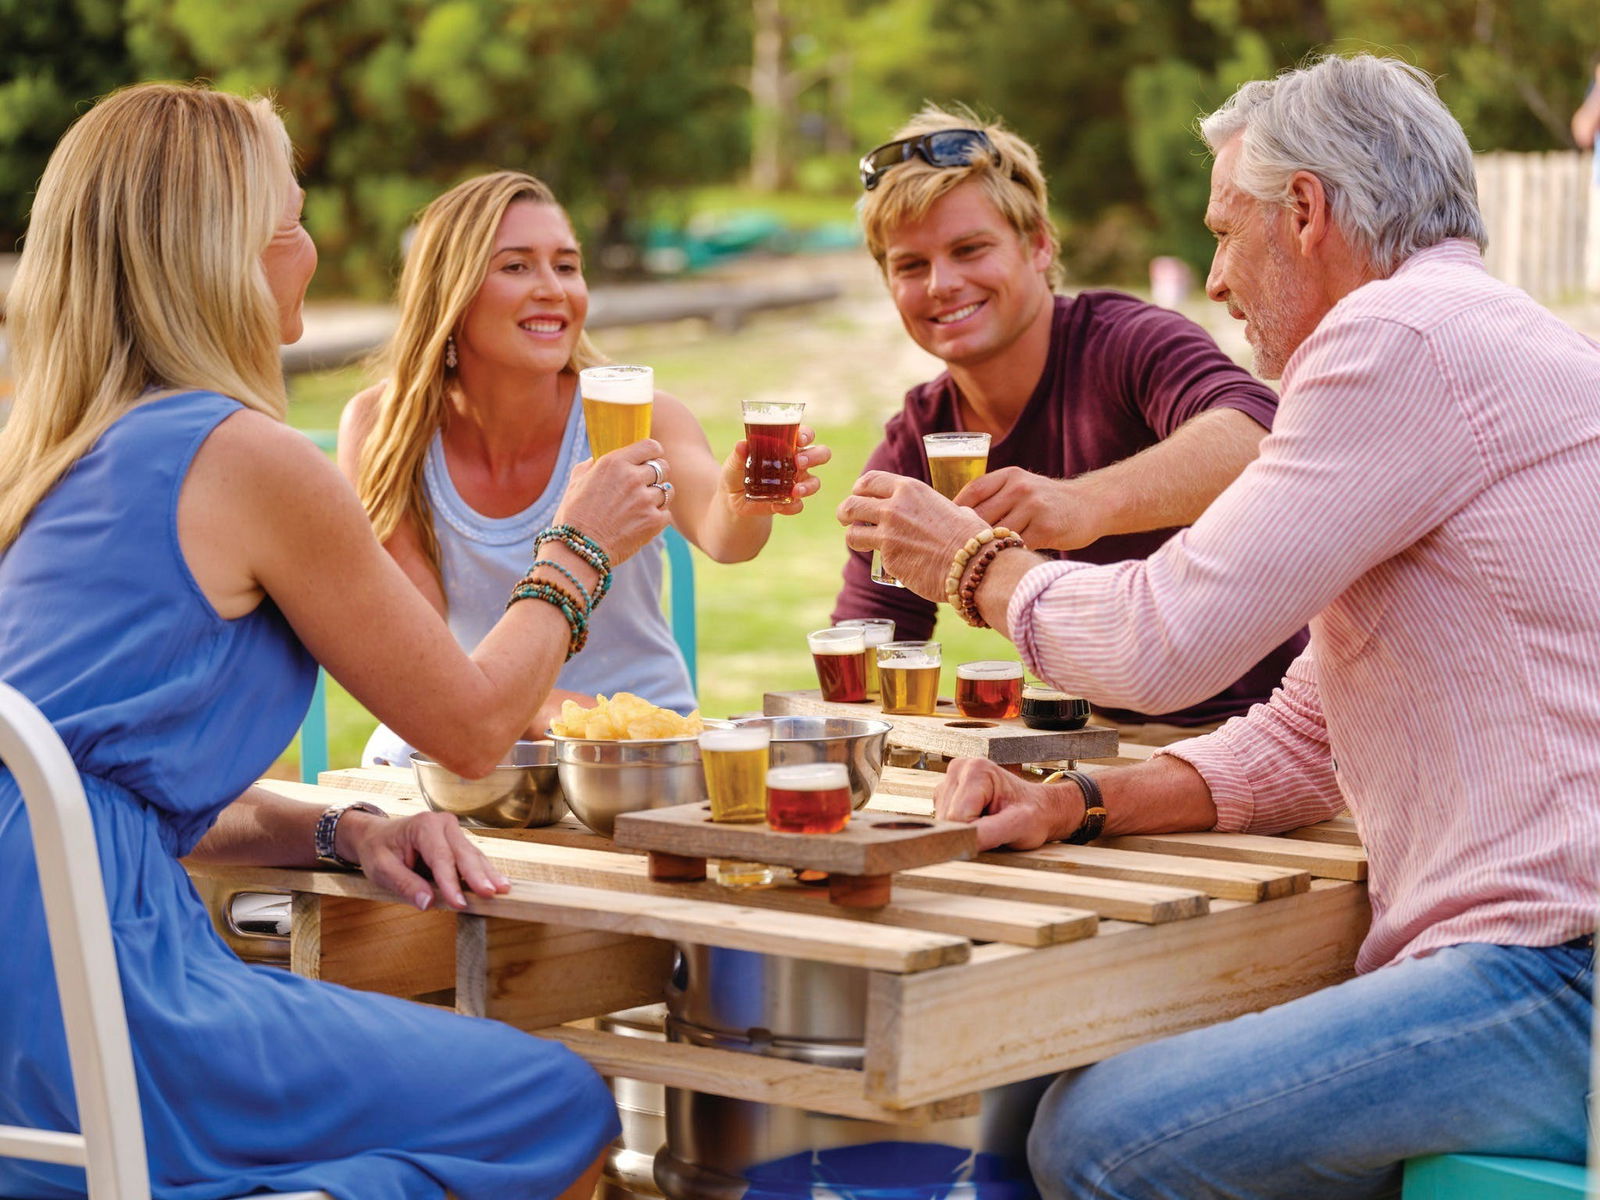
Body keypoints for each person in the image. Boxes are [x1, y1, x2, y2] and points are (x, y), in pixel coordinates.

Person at [840, 54, 1600, 1198]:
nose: (1214, 278)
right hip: (1543, 973)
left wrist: (977, 566)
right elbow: (1304, 738)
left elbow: (1161, 645)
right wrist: (1075, 801)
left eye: (1226, 233)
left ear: (1305, 213)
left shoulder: (1393, 338)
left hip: (1557, 982)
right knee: (1080, 1089)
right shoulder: (1492, 334)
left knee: (1094, 1138)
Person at [0, 83, 673, 1198]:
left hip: (25, 996)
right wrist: (575, 550)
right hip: (102, 987)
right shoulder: (249, 458)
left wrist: (341, 827)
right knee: (548, 1104)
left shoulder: (49, 460)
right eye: (294, 222)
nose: (310, 250)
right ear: (230, 252)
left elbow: (96, 786)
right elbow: (467, 729)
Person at [832, 104, 1305, 742]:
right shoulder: (918, 432)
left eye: (970, 249)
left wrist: (1080, 502)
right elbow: (867, 650)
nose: (942, 284)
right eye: (910, 265)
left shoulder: (1127, 341)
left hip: (1265, 739)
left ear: (1039, 246)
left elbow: (1261, 436)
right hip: (1089, 752)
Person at [340, 171, 830, 765]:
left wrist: (739, 499)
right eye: (516, 266)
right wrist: (568, 717)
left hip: (642, 748)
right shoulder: (384, 429)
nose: (553, 288)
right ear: (452, 290)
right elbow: (421, 657)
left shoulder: (640, 414)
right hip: (472, 744)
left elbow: (728, 538)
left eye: (566, 266)